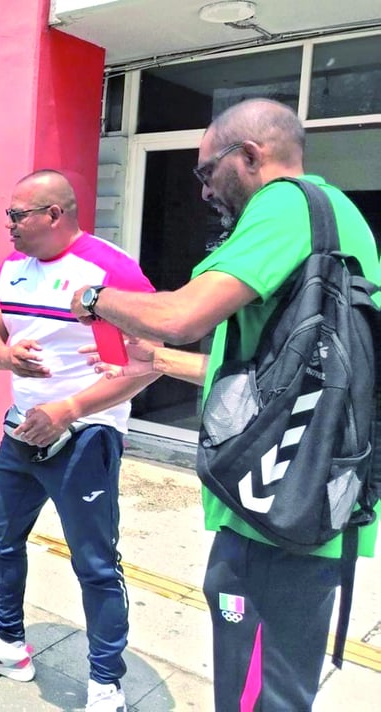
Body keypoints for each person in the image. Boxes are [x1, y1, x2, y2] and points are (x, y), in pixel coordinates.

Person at [68, 97, 380, 710]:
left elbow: (181, 314)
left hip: (280, 512)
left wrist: (93, 296)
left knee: (259, 693)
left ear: (251, 157)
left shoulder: (285, 205)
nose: (205, 189)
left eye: (207, 172)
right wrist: (155, 362)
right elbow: (274, 371)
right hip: (305, 494)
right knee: (268, 683)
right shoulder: (337, 213)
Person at [0, 170, 159, 712]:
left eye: (19, 215)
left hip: (86, 435)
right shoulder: (13, 266)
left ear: (55, 215)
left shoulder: (110, 268)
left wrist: (68, 411)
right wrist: (4, 355)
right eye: (9, 214)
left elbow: (151, 362)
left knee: (94, 564)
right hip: (22, 427)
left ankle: (106, 684)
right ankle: (8, 645)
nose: (8, 225)